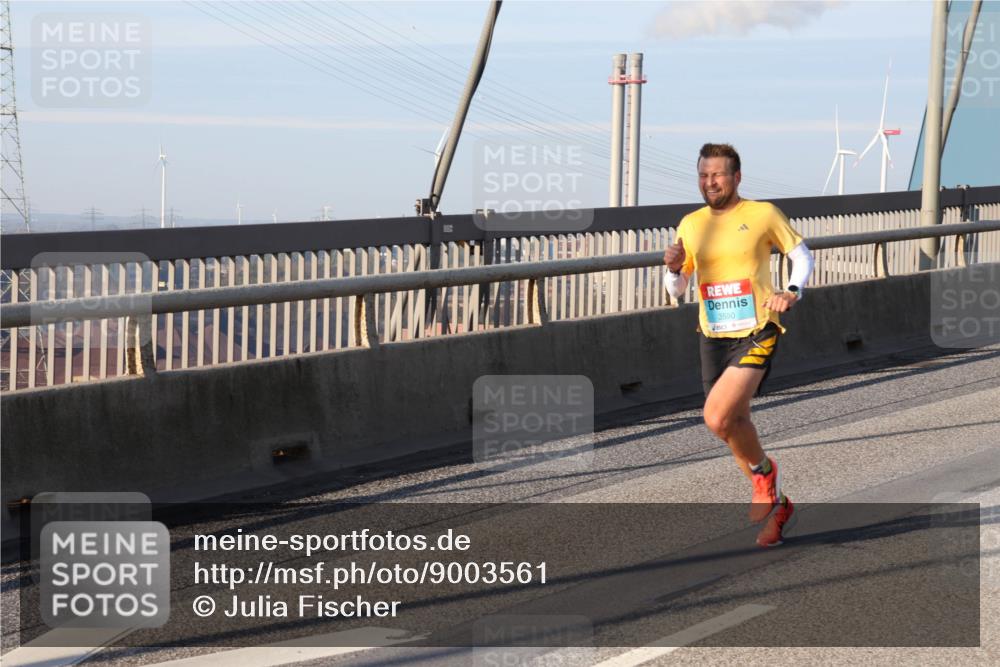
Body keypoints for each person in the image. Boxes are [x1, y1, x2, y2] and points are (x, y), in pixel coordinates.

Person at [663, 143, 814, 547]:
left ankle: (764, 475)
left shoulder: (761, 214)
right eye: (703, 175)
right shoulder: (691, 223)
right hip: (713, 335)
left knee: (715, 416)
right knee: (731, 424)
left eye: (717, 174)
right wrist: (674, 268)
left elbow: (801, 255)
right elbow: (677, 289)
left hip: (758, 327)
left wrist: (791, 291)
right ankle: (778, 503)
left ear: (736, 177)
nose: (709, 182)